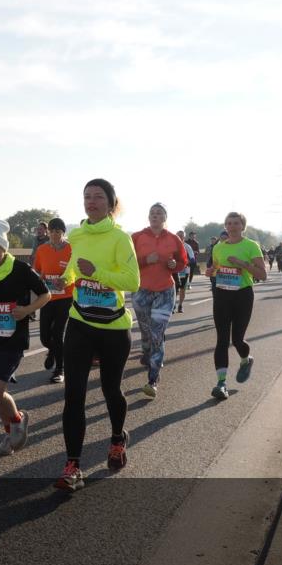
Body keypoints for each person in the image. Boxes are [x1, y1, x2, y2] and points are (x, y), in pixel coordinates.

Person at [54, 179, 140, 492]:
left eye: (98, 197)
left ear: (110, 202)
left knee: (110, 390)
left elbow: (132, 281)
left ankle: (117, 438)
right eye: (87, 196)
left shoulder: (120, 238)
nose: (91, 201)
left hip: (114, 328)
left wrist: (96, 274)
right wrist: (64, 278)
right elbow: (76, 270)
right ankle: (73, 465)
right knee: (73, 395)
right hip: (80, 322)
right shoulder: (76, 235)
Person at [0, 220, 50, 455]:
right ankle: (9, 433)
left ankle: (18, 419)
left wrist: (26, 310)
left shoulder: (21, 270)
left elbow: (46, 295)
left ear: (4, 248)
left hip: (13, 340)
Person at [206, 212, 266, 400]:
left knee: (237, 339)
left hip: (243, 295)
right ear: (225, 226)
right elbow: (215, 268)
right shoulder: (218, 247)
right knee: (222, 340)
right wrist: (210, 271)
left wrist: (242, 263)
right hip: (222, 294)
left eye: (236, 223)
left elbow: (262, 275)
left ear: (242, 226)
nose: (232, 226)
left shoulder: (251, 246)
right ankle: (221, 383)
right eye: (229, 223)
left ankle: (246, 360)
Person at [131, 204, 187, 399]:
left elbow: (182, 262)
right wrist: (146, 260)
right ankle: (146, 348)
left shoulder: (174, 239)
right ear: (148, 217)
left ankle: (153, 380)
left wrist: (174, 265)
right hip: (141, 291)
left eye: (159, 213)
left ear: (165, 217)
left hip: (164, 291)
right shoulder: (137, 237)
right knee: (147, 332)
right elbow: (127, 262)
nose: (155, 216)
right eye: (152, 213)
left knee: (157, 334)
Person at [32, 217, 72, 383]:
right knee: (45, 337)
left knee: (58, 333)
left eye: (58, 232)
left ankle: (59, 370)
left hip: (66, 297)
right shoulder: (42, 249)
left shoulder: (71, 249)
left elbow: (75, 271)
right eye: (51, 231)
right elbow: (37, 270)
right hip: (47, 297)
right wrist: (39, 278)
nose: (54, 235)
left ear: (63, 233)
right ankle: (54, 350)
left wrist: (65, 280)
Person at [175, 230, 194, 313]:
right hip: (174, 271)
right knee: (173, 289)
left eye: (182, 236)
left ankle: (180, 305)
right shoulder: (171, 246)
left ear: (184, 237)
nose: (180, 237)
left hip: (184, 271)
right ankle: (172, 305)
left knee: (182, 289)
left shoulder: (187, 246)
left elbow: (192, 259)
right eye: (178, 235)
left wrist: (185, 263)